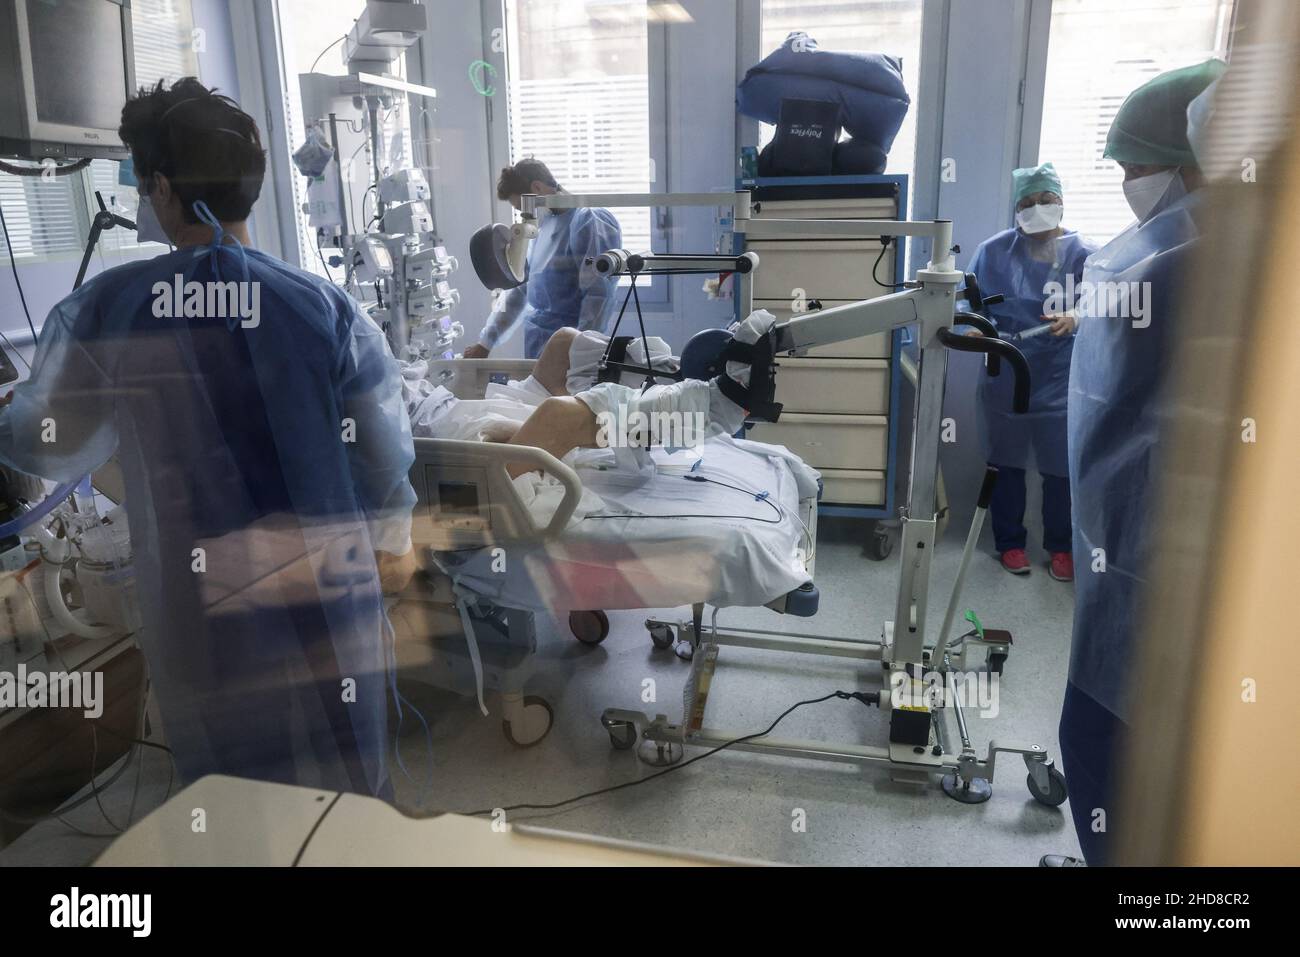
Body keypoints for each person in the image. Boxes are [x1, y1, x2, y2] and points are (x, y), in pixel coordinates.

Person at [0, 78, 418, 797]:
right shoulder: (320, 308)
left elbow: (44, 442)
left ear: (162, 187)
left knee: (228, 788)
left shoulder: (113, 311)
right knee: (343, 772)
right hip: (328, 590)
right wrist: (394, 547)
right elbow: (382, 459)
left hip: (201, 605)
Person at [1045, 59, 1226, 867]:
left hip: (1166, 577)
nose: (1128, 186)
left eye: (1135, 169)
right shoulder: (1184, 258)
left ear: (1195, 156)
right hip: (1143, 564)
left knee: (1116, 756)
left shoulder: (1195, 267)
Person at [967, 162, 1093, 581]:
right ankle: (1010, 543)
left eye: (1046, 200)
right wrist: (971, 322)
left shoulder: (1085, 254)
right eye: (1027, 202)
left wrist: (1077, 315)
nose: (1037, 208)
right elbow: (972, 304)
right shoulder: (993, 252)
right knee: (1007, 465)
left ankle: (1061, 547)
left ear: (1061, 201)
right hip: (1006, 376)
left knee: (1060, 472)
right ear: (1015, 209)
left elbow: (1105, 303)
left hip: (1060, 379)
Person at [463, 158, 622, 360]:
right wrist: (485, 343)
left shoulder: (588, 221)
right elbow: (520, 290)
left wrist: (581, 352)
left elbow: (598, 296)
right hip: (537, 344)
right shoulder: (543, 226)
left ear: (537, 187)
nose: (525, 216)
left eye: (524, 207)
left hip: (571, 346)